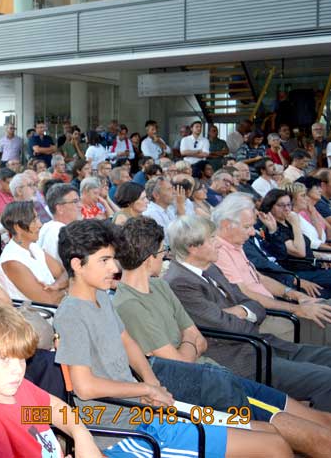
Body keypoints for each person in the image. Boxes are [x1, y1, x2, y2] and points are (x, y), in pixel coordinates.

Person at [54, 219, 291, 457]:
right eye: (104, 260)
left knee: (269, 432)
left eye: (113, 259)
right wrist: (145, 389)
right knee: (273, 446)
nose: (114, 268)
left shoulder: (100, 297)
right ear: (77, 264)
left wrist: (152, 383)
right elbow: (85, 387)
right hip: (123, 430)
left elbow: (128, 342)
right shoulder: (72, 315)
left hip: (142, 411)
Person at [114, 217, 331, 457]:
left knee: (322, 421)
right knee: (316, 437)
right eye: (162, 250)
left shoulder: (160, 287)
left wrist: (189, 342)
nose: (166, 255)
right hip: (205, 388)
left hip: (220, 375)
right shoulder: (129, 304)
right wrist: (190, 341)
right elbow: (180, 361)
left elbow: (199, 338)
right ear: (149, 258)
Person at [165, 215, 331, 412]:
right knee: (326, 379)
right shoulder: (179, 283)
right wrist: (243, 315)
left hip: (263, 344)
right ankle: (322, 428)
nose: (219, 243)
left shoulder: (211, 269)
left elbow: (255, 306)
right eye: (212, 239)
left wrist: (240, 311)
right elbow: (225, 326)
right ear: (193, 247)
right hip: (243, 359)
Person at [0, 305, 115, 458]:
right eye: (5, 359)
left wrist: (81, 434)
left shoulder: (13, 387)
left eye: (22, 359)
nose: (18, 370)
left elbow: (53, 409)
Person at [213, 192, 331, 345]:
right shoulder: (218, 251)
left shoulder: (235, 243)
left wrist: (296, 295)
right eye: (247, 227)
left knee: (324, 307)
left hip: (275, 304)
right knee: (325, 317)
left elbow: (260, 278)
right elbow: (244, 293)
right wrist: (296, 309)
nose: (252, 232)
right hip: (263, 317)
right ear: (226, 225)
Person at [0, 201, 67, 305]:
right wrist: (67, 289)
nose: (40, 224)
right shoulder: (11, 261)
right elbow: (48, 300)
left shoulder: (33, 247)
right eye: (34, 221)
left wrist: (57, 285)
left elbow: (65, 272)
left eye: (37, 218)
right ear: (18, 227)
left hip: (57, 307)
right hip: (38, 313)